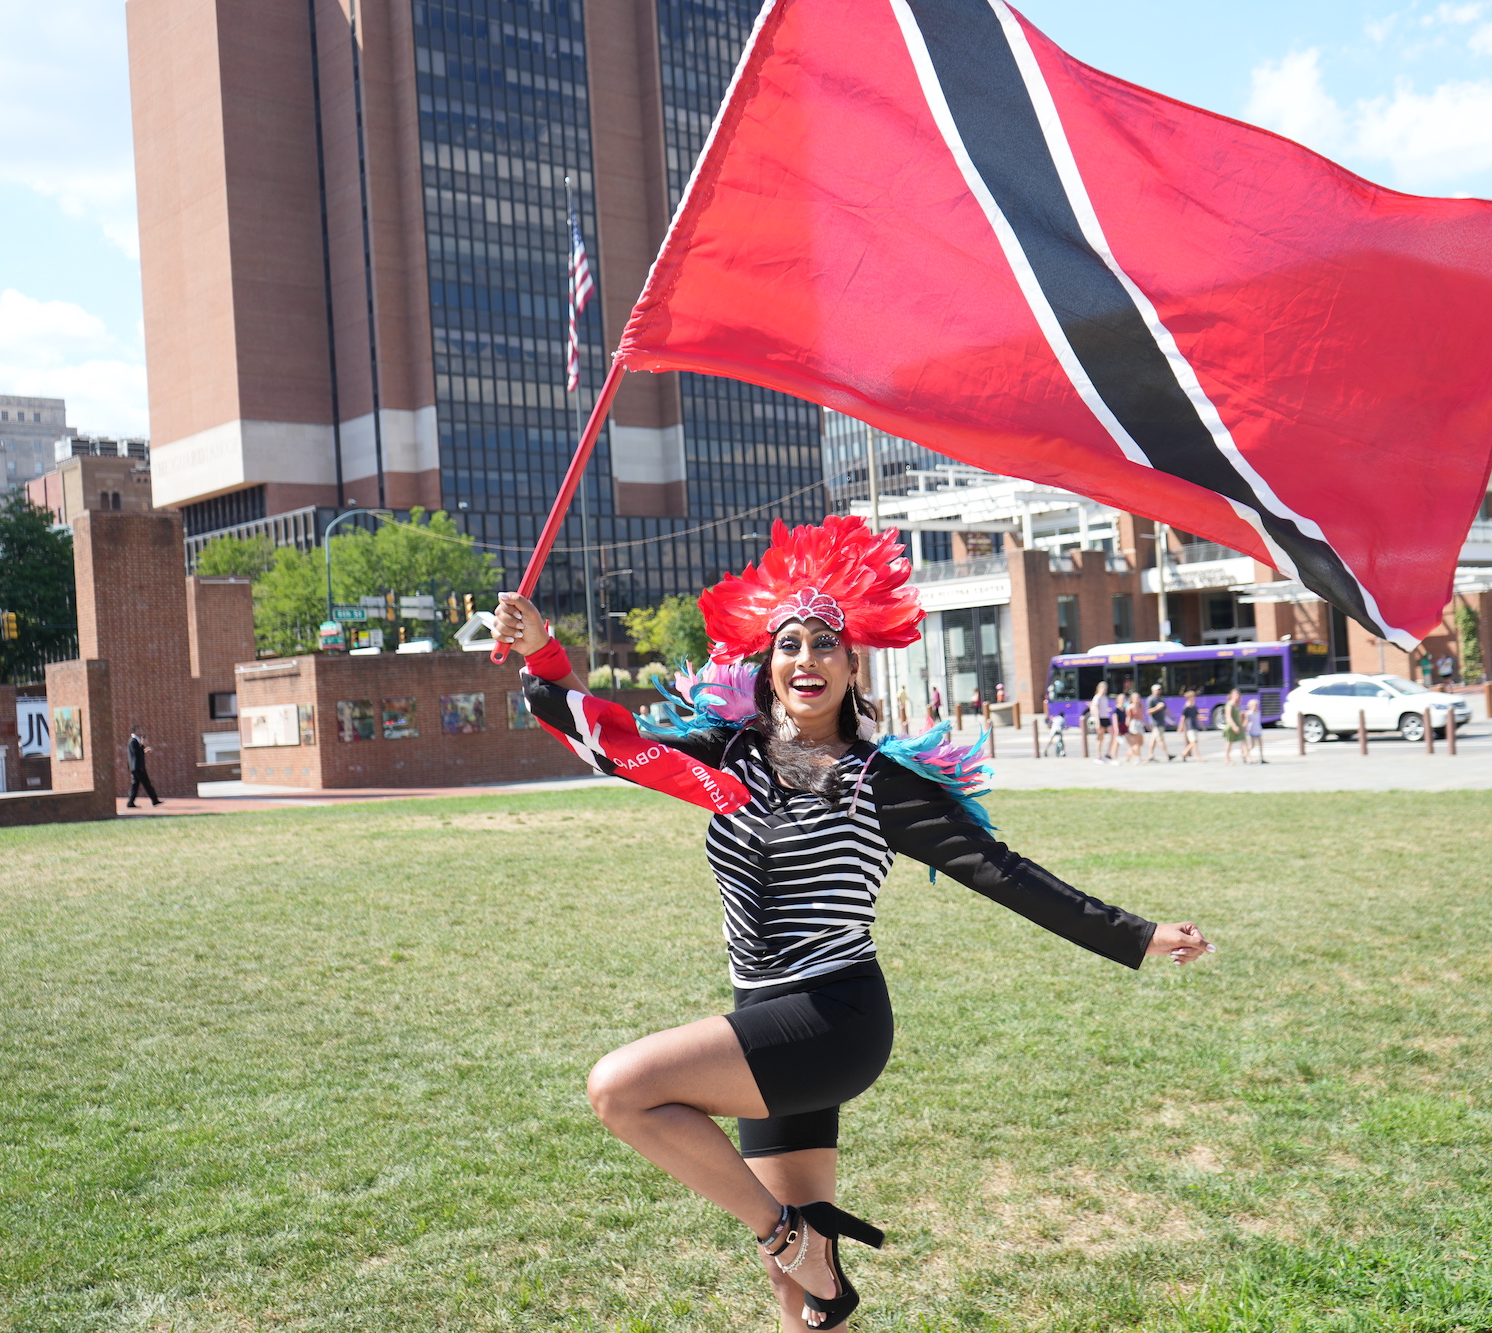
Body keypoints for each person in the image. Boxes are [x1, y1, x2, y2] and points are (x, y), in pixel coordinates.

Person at [493, 517, 1212, 1332]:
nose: (807, 658)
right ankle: (801, 1248)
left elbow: (1004, 875)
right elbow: (607, 742)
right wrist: (545, 653)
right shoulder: (727, 762)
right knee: (801, 1300)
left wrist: (1136, 932)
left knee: (620, 1088)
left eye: (826, 643)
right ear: (768, 663)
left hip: (835, 1017)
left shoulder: (881, 784)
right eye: (790, 642)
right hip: (760, 1018)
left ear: (853, 664)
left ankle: (789, 1231)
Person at [126, 724, 162, 809]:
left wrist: (144, 750)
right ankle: (154, 800)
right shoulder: (132, 741)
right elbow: (135, 752)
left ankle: (130, 802)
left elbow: (138, 752)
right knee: (146, 783)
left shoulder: (135, 740)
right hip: (137, 767)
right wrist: (142, 745)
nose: (140, 731)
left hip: (136, 766)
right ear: (133, 731)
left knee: (135, 784)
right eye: (138, 729)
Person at [1089, 680, 1117, 763]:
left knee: (1113, 735)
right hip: (1100, 718)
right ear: (1099, 688)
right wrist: (1097, 722)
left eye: (1106, 688)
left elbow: (1103, 708)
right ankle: (1098, 756)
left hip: (1106, 717)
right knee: (1100, 737)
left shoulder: (1105, 697)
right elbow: (1096, 710)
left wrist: (1107, 710)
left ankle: (1108, 753)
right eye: (1103, 688)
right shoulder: (1097, 697)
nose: (1105, 690)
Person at [1143, 682, 1173, 762]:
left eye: (1160, 690)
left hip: (1161, 721)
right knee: (1160, 739)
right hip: (1155, 722)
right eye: (1157, 690)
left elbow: (1165, 709)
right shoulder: (1151, 699)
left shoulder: (1160, 699)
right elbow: (1148, 711)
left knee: (1154, 739)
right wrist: (1157, 707)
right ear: (1153, 690)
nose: (1159, 691)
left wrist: (1171, 717)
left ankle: (1150, 755)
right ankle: (1168, 754)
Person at [1218, 687, 1247, 765]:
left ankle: (1245, 756)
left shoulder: (1236, 705)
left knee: (1243, 740)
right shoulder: (1230, 704)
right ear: (1231, 695)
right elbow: (1228, 717)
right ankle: (1227, 759)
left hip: (1238, 725)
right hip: (1231, 726)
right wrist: (1234, 726)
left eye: (1238, 694)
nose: (1237, 696)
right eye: (1235, 694)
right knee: (1229, 743)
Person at [1175, 686, 1204, 761]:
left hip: (1194, 725)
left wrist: (1202, 725)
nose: (1194, 698)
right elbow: (1183, 718)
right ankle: (1199, 757)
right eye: (1192, 697)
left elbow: (1197, 717)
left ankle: (1184, 753)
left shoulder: (1194, 707)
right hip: (1189, 726)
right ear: (1188, 698)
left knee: (1194, 742)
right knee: (1194, 742)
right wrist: (1180, 727)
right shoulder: (1186, 707)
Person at [1242, 696, 1266, 763]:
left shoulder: (1258, 712)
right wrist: (1243, 728)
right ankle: (1245, 754)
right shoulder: (1249, 713)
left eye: (1256, 705)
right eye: (1254, 705)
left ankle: (1262, 758)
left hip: (1258, 728)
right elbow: (1246, 722)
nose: (1256, 707)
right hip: (1252, 729)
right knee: (1253, 745)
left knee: (1261, 744)